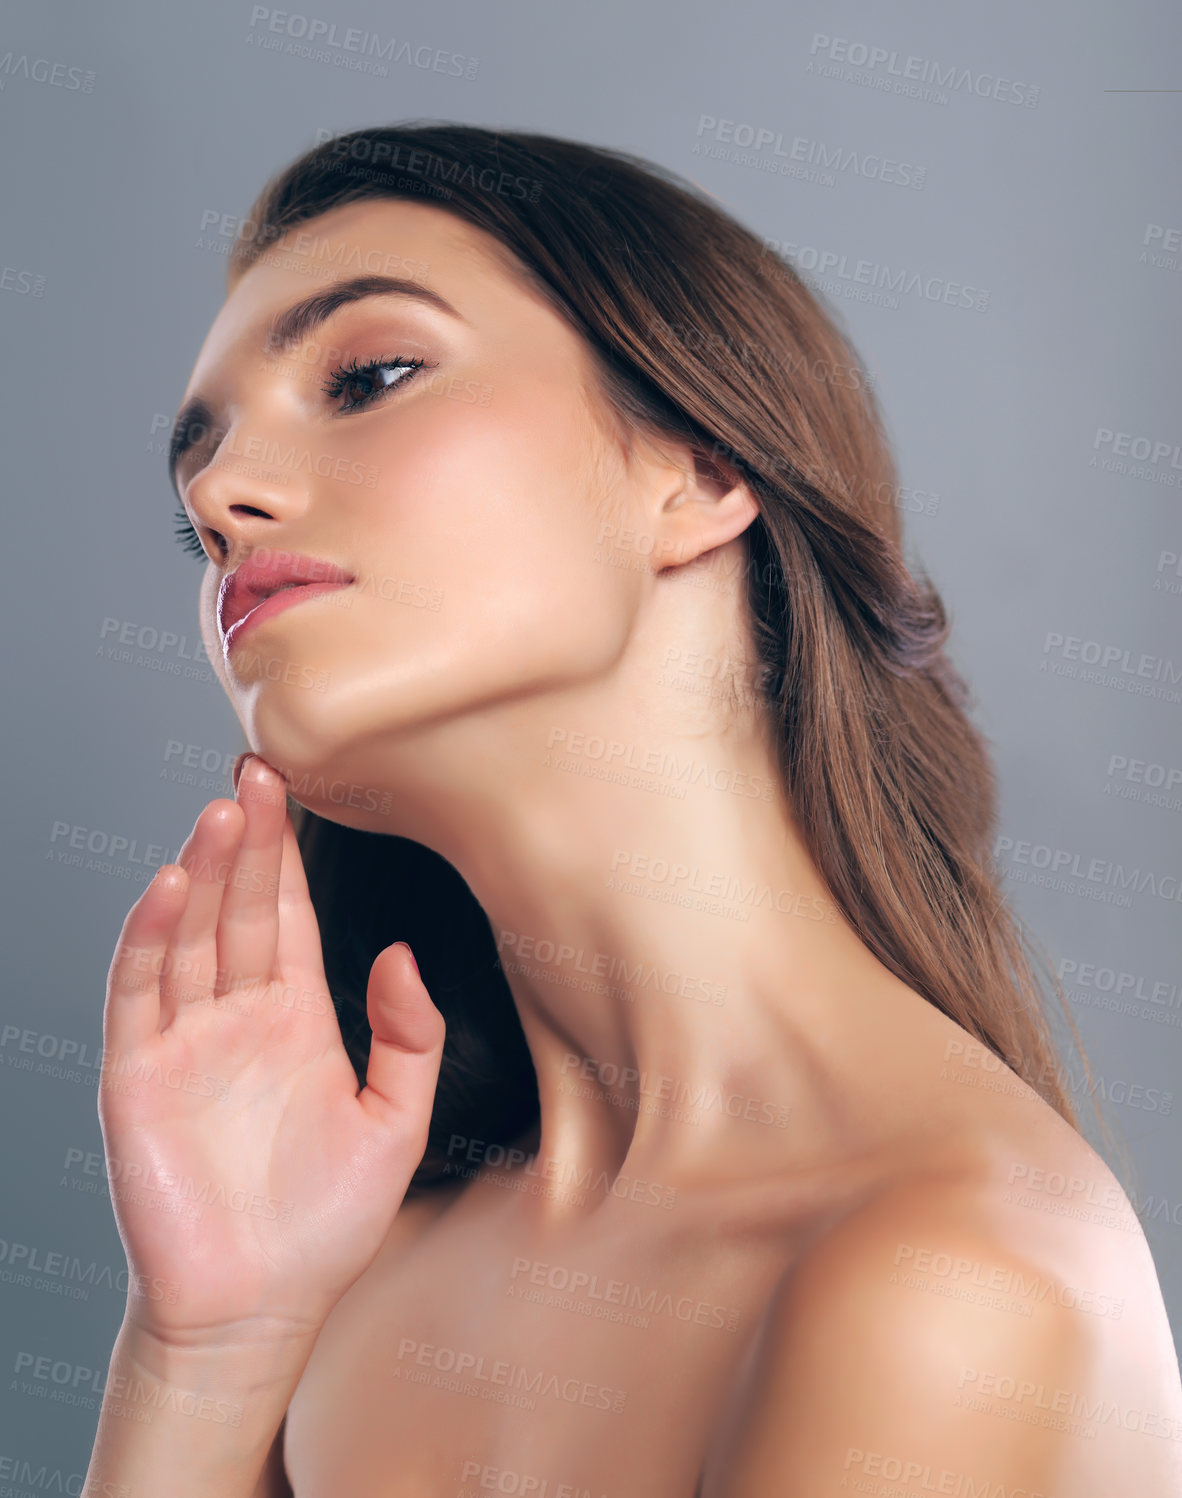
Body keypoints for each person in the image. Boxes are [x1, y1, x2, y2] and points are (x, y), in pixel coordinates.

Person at [85, 124, 1182, 1496]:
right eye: (198, 500)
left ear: (702, 472)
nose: (220, 497)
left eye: (367, 376)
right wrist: (205, 1351)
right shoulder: (352, 1272)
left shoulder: (949, 1286)